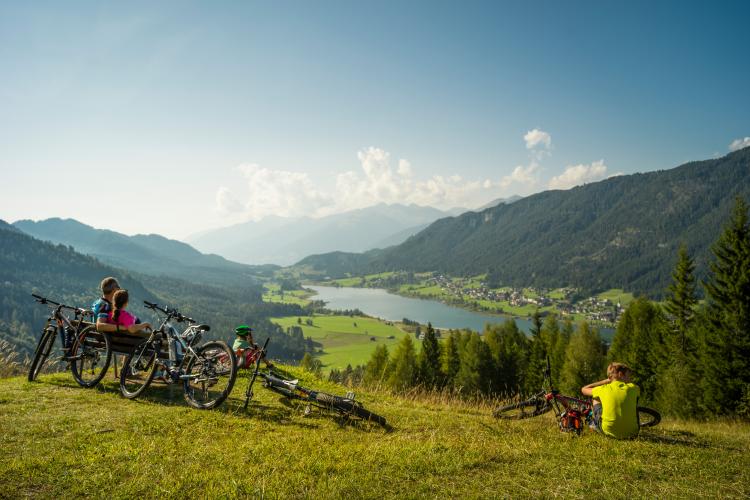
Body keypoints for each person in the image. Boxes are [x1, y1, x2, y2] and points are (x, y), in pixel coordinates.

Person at [581, 362, 640, 439]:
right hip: (633, 433)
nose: (630, 379)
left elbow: (583, 389)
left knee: (595, 397)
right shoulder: (635, 388)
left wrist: (605, 381)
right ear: (620, 375)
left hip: (608, 432)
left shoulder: (603, 389)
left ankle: (595, 423)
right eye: (628, 376)